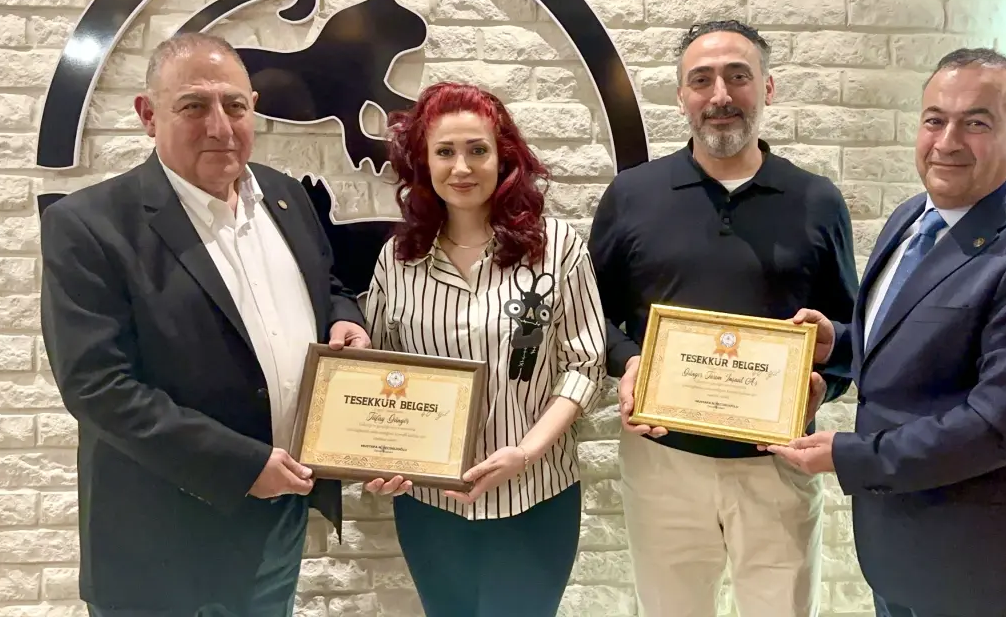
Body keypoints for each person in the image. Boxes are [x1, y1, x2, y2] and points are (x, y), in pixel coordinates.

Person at [39, 32, 409, 617]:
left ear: (253, 107)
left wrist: (345, 322)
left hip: (278, 523)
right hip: (161, 544)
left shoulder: (285, 196)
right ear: (148, 114)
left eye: (234, 105)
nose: (220, 126)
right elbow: (97, 386)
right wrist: (241, 466)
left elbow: (327, 286)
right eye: (193, 105)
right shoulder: (88, 226)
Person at [770, 48, 1006, 617]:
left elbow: (997, 427)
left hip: (980, 565)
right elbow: (921, 341)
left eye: (976, 123)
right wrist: (840, 344)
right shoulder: (913, 216)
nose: (947, 141)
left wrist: (851, 456)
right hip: (903, 549)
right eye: (934, 119)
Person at [587, 19, 859, 617]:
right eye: (701, 80)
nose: (720, 95)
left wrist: (825, 384)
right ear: (681, 95)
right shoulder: (633, 195)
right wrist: (629, 363)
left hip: (778, 461)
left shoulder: (816, 200)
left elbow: (849, 336)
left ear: (768, 88)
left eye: (739, 76)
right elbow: (590, 317)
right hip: (663, 462)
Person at [363, 81, 607, 617]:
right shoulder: (398, 260)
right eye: (445, 152)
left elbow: (585, 366)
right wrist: (378, 455)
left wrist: (526, 452)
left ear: (504, 158)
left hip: (536, 494)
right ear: (423, 163)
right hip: (430, 504)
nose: (462, 167)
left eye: (477, 150)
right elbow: (379, 375)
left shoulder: (556, 247)